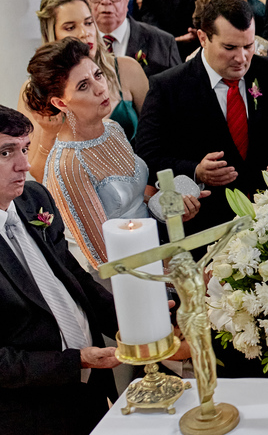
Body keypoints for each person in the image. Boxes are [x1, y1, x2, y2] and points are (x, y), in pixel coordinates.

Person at [0, 104, 123, 435]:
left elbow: (73, 278)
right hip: (30, 410)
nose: (22, 165)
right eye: (5, 153)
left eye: (25, 148)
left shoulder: (32, 197)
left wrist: (135, 317)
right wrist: (72, 362)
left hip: (87, 387)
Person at [135, 0, 268, 244]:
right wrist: (195, 171)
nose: (241, 58)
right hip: (208, 230)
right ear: (203, 38)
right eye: (229, 48)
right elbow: (147, 157)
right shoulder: (168, 87)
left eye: (248, 46)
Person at [23, 38, 200, 271]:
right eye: (83, 86)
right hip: (120, 279)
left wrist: (170, 207)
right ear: (60, 102)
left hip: (155, 251)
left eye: (97, 75)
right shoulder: (68, 166)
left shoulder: (114, 129)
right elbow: (103, 259)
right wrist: (174, 279)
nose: (100, 88)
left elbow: (135, 200)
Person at [21, 0, 148, 184]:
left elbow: (158, 138)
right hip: (77, 195)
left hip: (142, 185)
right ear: (51, 34)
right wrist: (48, 132)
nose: (84, 32)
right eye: (70, 27)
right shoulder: (35, 91)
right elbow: (39, 174)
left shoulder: (128, 68)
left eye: (89, 22)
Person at [82, 0, 179, 77]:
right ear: (84, 1)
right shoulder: (76, 43)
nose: (106, 1)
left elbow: (178, 90)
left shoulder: (162, 42)